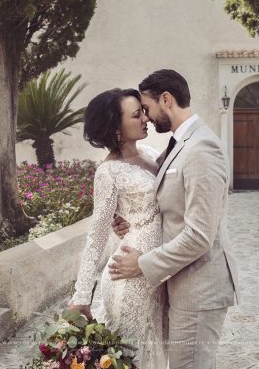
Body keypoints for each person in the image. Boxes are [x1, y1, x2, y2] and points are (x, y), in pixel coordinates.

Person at [108, 69, 240, 369]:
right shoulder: (181, 144)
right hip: (184, 286)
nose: (148, 117)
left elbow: (199, 235)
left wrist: (142, 263)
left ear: (166, 99)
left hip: (200, 291)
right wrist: (131, 219)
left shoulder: (201, 148)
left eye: (148, 108)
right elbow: (169, 207)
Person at [68, 88, 168, 368]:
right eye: (137, 115)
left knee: (155, 353)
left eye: (143, 112)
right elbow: (96, 236)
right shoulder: (108, 172)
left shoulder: (150, 153)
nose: (146, 119)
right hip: (129, 279)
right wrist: (81, 296)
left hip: (155, 272)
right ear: (116, 129)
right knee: (131, 357)